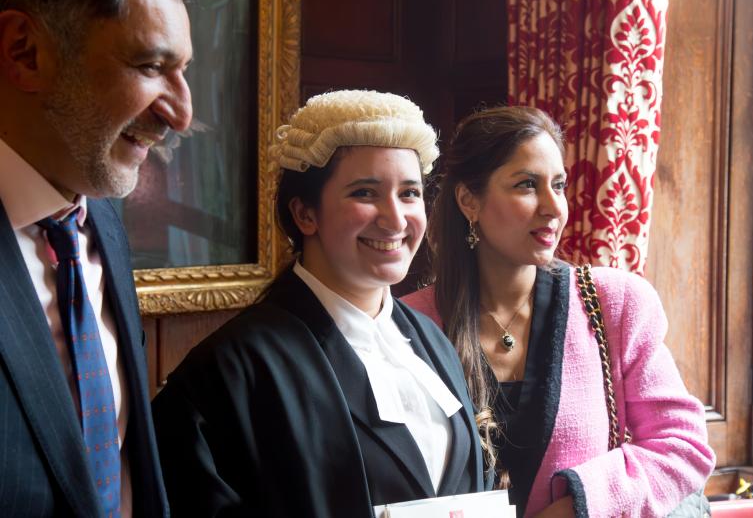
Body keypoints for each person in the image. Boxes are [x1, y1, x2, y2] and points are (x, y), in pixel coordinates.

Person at [151, 89, 488, 517]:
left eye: (409, 193)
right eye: (365, 193)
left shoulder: (433, 342)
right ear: (304, 214)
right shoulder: (228, 371)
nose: (395, 219)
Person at [402, 106, 716, 517]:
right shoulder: (405, 327)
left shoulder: (613, 303)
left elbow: (682, 445)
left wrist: (576, 507)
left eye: (559, 185)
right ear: (468, 201)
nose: (554, 207)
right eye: (527, 185)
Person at [0, 0, 193, 516]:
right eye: (151, 66)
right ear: (24, 52)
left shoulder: (101, 220)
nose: (182, 113)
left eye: (183, 71)